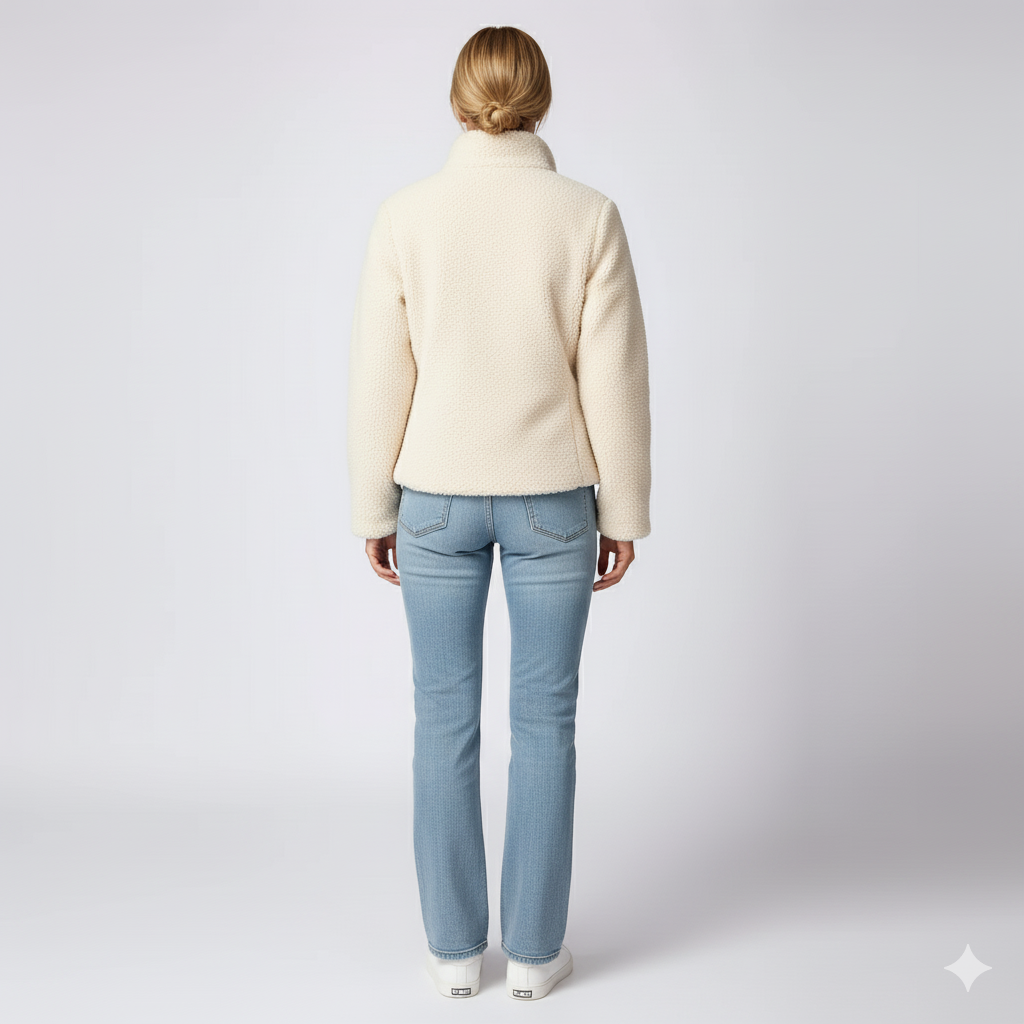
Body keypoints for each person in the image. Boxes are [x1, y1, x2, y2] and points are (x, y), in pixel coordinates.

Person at [347, 26, 652, 1001]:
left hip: (434, 501)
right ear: (541, 101)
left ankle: (451, 953)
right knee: (545, 722)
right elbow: (613, 377)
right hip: (553, 503)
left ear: (458, 102)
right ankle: (532, 955)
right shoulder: (588, 216)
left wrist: (373, 503)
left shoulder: (406, 215)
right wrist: (623, 511)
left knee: (441, 720)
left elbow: (380, 376)